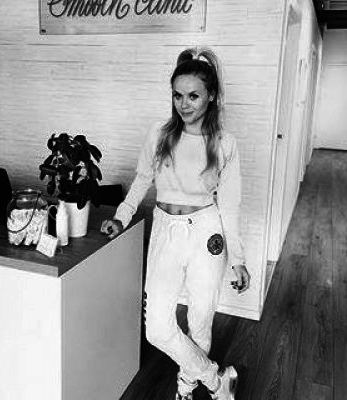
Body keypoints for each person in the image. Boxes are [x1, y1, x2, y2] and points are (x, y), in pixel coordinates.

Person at [101, 47, 250, 400]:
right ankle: (216, 380)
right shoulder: (159, 133)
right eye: (177, 95)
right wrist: (121, 216)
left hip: (206, 233)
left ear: (211, 96)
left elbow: (230, 206)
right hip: (165, 229)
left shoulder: (224, 143)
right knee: (156, 328)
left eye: (193, 96)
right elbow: (142, 179)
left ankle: (186, 386)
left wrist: (238, 259)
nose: (184, 104)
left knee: (200, 320)